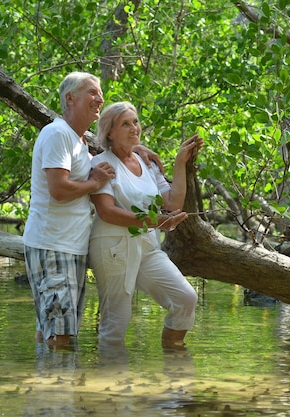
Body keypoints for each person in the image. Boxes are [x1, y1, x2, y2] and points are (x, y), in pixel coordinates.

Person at [23, 73, 161, 347]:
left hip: (72, 246)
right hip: (53, 245)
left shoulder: (79, 142)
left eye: (100, 93)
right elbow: (59, 189)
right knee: (60, 336)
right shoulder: (57, 133)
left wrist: (136, 147)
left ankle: (47, 384)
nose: (99, 99)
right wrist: (94, 182)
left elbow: (109, 150)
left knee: (52, 330)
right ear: (70, 98)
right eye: (91, 92)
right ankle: (56, 386)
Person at [88, 101, 202, 350]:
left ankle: (174, 369)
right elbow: (107, 212)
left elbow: (172, 202)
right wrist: (155, 221)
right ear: (109, 132)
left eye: (135, 122)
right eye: (125, 124)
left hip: (147, 248)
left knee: (185, 299)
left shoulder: (146, 162)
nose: (133, 128)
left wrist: (180, 162)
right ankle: (111, 386)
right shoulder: (101, 163)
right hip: (113, 248)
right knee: (116, 323)